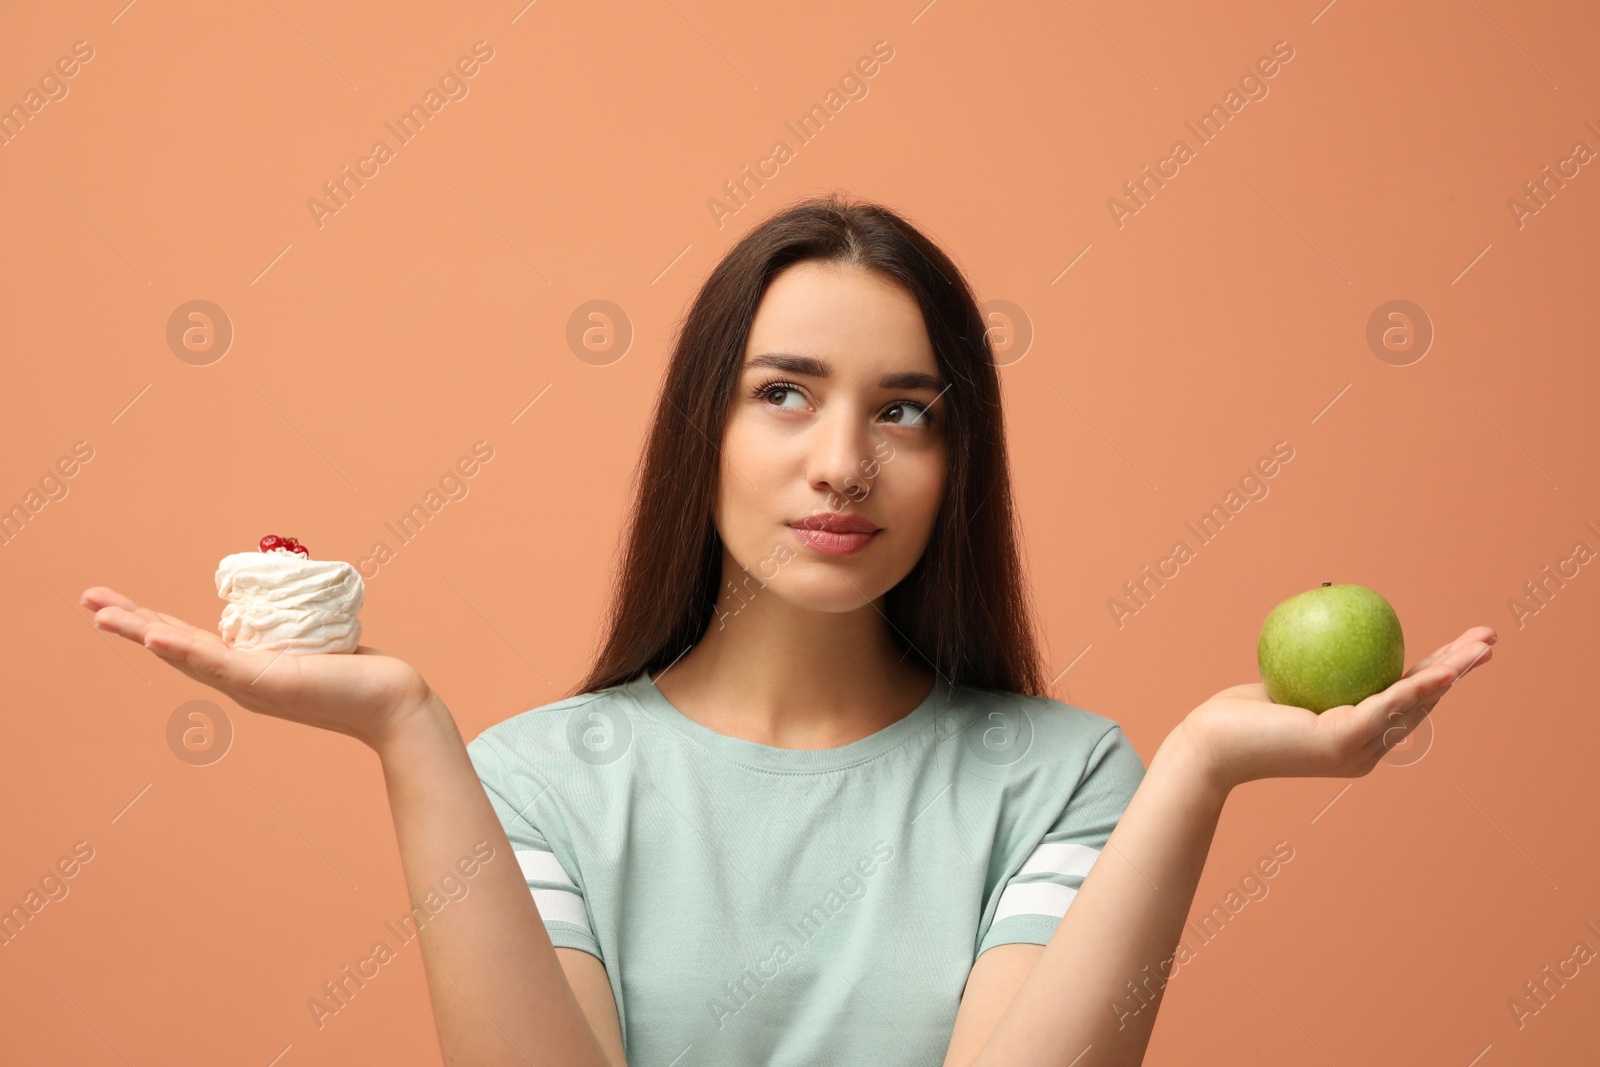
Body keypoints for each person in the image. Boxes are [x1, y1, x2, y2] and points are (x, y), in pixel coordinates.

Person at [82, 194, 1495, 1067]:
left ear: (961, 464)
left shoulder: (1065, 781)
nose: (843, 464)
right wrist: (406, 730)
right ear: (702, 430)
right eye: (785, 394)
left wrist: (1198, 770)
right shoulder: (531, 784)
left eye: (903, 411)